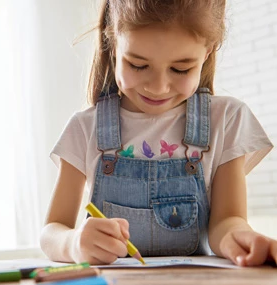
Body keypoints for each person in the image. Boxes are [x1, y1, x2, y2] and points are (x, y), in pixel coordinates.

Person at [40, 0, 277, 266]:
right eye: (138, 65)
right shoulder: (85, 128)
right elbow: (52, 230)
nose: (158, 87)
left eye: (180, 69)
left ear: (208, 51)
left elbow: (227, 222)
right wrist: (73, 243)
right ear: (113, 42)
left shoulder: (227, 120)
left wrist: (243, 238)